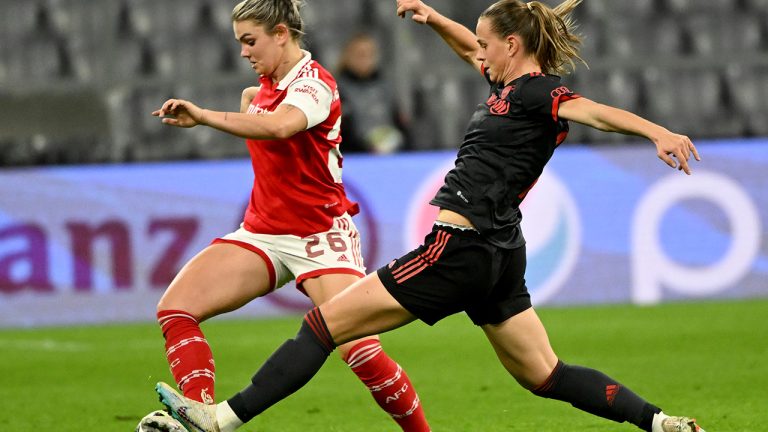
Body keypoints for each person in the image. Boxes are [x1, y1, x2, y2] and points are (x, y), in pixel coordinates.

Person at [152, 1, 706, 431]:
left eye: (488, 45)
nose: (479, 54)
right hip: (501, 254)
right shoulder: (509, 88)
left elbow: (594, 112)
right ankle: (658, 421)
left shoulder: (540, 93)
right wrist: (435, 17)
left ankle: (218, 419)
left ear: (512, 46)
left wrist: (658, 132)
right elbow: (469, 50)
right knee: (545, 375)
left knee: (323, 325)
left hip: (456, 248)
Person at [137, 1, 431, 431]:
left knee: (360, 351)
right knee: (176, 308)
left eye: (249, 41)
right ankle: (197, 418)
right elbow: (267, 129)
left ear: (280, 33)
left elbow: (281, 127)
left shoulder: (316, 85)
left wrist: (204, 117)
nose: (243, 52)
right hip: (263, 233)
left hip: (320, 237)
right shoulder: (258, 92)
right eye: (239, 42)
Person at [335, 32, 410, 154]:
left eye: (369, 54)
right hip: (353, 158)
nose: (365, 59)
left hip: (392, 155)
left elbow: (400, 122)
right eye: (360, 54)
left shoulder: (386, 86)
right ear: (347, 56)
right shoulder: (335, 89)